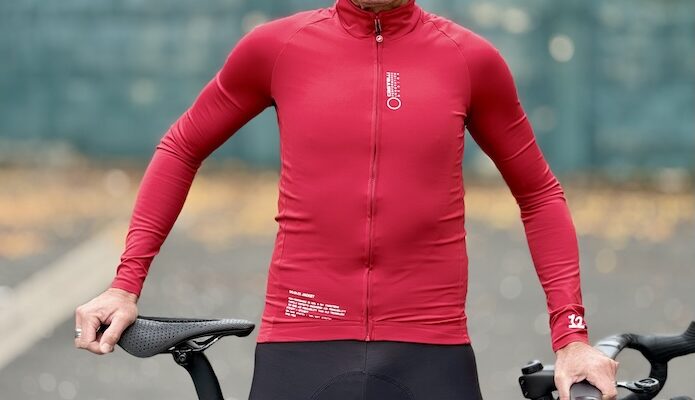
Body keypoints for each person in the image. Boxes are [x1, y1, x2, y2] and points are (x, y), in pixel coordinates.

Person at [74, 0, 620, 398]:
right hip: (301, 339)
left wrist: (571, 337)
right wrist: (125, 284)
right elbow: (181, 146)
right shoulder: (277, 48)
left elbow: (538, 193)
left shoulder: (468, 59)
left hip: (430, 346)